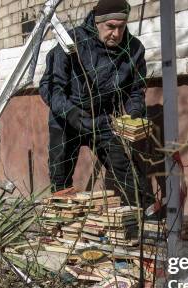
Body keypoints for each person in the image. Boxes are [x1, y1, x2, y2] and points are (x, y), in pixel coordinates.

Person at [40, 0, 148, 207]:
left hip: (102, 119)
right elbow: (50, 86)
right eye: (110, 27)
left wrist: (135, 113)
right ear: (97, 22)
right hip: (66, 119)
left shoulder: (134, 49)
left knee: (127, 172)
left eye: (121, 27)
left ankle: (137, 224)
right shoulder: (71, 41)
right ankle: (62, 227)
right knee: (60, 177)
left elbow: (136, 90)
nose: (116, 34)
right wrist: (70, 112)